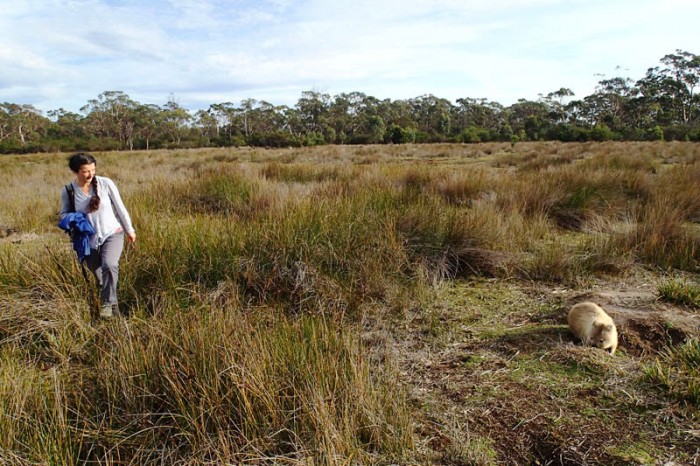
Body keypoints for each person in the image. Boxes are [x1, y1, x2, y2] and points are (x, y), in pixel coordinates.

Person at [59, 152, 136, 318]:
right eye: (85, 171)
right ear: (75, 171)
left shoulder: (105, 183)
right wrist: (72, 219)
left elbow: (120, 207)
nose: (90, 174)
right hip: (87, 240)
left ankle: (108, 309)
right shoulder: (68, 191)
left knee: (109, 265)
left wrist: (129, 229)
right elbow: (63, 214)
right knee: (100, 277)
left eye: (92, 170)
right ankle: (112, 306)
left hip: (112, 233)